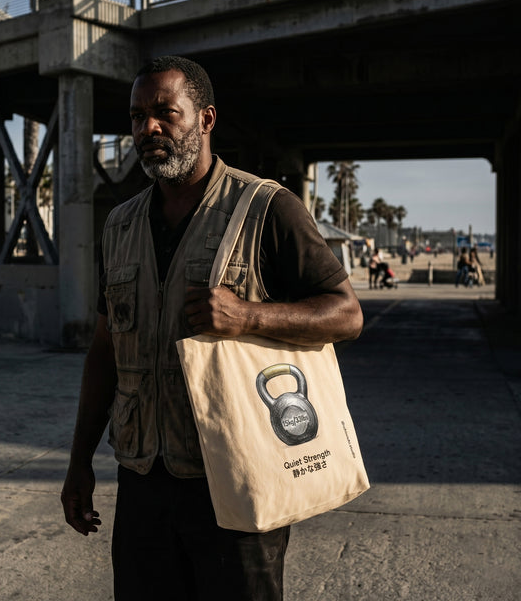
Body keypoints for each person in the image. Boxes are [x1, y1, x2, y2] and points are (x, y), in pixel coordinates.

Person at [60, 56, 363, 601]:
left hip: (238, 477)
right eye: (136, 116)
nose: (147, 128)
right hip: (142, 481)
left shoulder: (269, 208)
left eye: (164, 113)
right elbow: (105, 350)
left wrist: (249, 315)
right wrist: (79, 460)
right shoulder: (120, 224)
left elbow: (346, 313)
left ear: (205, 118)